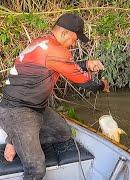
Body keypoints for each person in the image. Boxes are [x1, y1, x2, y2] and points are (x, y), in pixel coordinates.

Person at [0, 13, 109, 180]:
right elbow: (85, 83)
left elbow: (62, 65)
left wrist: (86, 64)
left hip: (37, 107)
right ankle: (16, 139)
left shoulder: (43, 42)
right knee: (36, 169)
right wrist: (102, 85)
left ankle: (16, 140)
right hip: (17, 111)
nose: (74, 43)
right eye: (74, 39)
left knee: (64, 133)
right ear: (64, 33)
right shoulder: (56, 50)